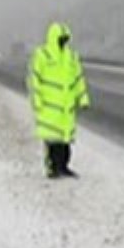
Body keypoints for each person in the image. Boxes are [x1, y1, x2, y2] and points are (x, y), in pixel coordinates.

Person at [27, 22, 90, 178]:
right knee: (52, 142)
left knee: (65, 142)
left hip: (66, 108)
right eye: (61, 38)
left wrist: (82, 97)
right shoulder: (42, 55)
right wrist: (37, 100)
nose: (64, 42)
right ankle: (52, 168)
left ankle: (63, 166)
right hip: (49, 108)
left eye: (65, 39)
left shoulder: (71, 57)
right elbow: (34, 79)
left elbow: (78, 78)